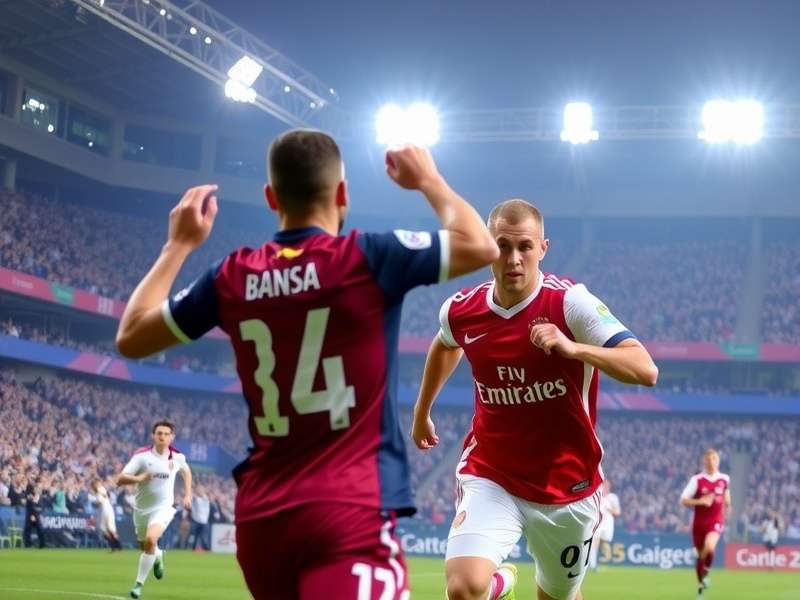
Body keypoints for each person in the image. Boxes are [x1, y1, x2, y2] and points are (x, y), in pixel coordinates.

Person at [114, 130, 498, 599]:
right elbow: (480, 245)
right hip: (348, 511)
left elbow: (131, 336)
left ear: (271, 197)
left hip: (262, 519)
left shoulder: (233, 276)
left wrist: (178, 245)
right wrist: (429, 180)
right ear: (342, 194)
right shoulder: (365, 257)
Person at [411, 198, 658, 600]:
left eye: (524, 247)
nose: (513, 258)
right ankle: (499, 583)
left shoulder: (570, 303)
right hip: (493, 473)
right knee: (463, 589)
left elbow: (645, 368)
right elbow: (445, 344)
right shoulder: (461, 310)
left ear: (543, 248)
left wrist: (574, 349)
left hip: (568, 486)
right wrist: (422, 413)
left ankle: (514, 583)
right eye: (502, 245)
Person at [115, 420, 192, 599]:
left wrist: (187, 494)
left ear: (172, 437)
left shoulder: (177, 457)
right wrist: (140, 478)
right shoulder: (142, 456)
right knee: (145, 546)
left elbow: (186, 472)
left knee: (151, 538)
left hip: (164, 508)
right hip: (141, 509)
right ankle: (158, 555)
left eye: (166, 434)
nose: (162, 437)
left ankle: (138, 585)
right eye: (159, 433)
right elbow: (120, 479)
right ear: (153, 436)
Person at [680, 448, 731, 599]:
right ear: (704, 461)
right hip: (698, 523)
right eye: (709, 459)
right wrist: (700, 501)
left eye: (714, 459)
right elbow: (683, 500)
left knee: (710, 546)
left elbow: (727, 499)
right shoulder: (697, 480)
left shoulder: (724, 479)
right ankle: (701, 585)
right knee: (701, 555)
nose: (712, 462)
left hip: (715, 521)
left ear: (718, 461)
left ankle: (706, 572)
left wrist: (727, 508)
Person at [588, 480, 621, 572]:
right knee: (594, 541)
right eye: (604, 485)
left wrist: (609, 509)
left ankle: (593, 561)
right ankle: (593, 565)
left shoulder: (613, 498)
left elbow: (617, 512)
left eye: (608, 485)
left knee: (603, 541)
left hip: (608, 525)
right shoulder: (596, 496)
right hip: (598, 523)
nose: (606, 487)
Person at [89, 479, 123, 551]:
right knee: (107, 530)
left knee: (108, 530)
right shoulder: (100, 490)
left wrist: (94, 503)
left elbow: (99, 502)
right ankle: (115, 547)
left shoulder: (100, 489)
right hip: (107, 510)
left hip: (105, 511)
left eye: (93, 485)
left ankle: (117, 546)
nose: (92, 487)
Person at [189, 485, 211, 551]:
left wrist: (196, 489)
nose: (200, 491)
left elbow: (199, 496)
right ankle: (193, 548)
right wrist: (193, 490)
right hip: (196, 520)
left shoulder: (205, 498)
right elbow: (192, 497)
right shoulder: (194, 498)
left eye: (201, 490)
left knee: (204, 536)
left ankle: (207, 549)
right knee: (194, 536)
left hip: (204, 521)